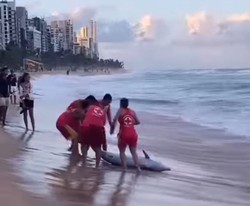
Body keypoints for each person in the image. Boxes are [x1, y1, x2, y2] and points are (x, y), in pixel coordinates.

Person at [110, 98, 141, 172]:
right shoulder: (132, 111)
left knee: (122, 151)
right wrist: (130, 124)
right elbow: (138, 122)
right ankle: (138, 168)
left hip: (124, 134)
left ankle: (124, 168)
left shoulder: (120, 110)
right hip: (133, 134)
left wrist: (112, 130)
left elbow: (114, 120)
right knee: (133, 152)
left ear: (121, 104)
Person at [79, 96, 106, 168]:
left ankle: (84, 160)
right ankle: (97, 166)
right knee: (97, 148)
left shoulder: (88, 108)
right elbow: (103, 123)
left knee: (84, 144)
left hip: (86, 127)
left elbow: (82, 118)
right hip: (98, 128)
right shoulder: (102, 111)